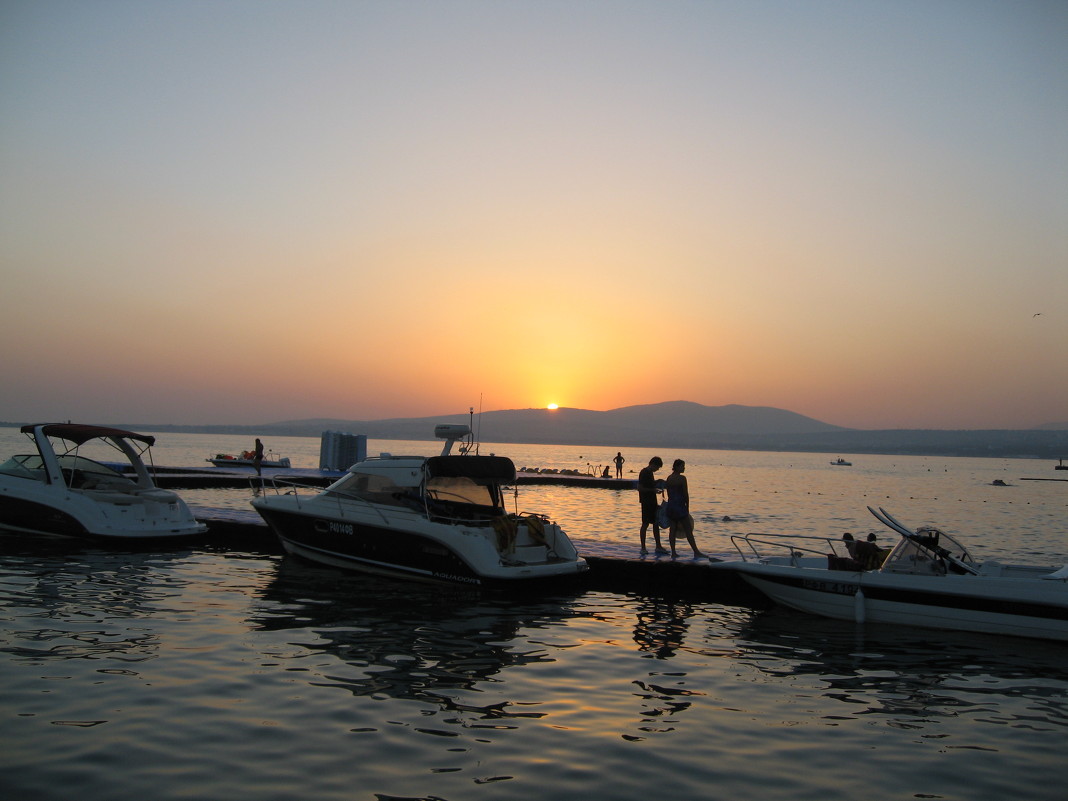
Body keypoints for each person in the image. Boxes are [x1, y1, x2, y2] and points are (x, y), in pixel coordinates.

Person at [664, 459, 705, 560]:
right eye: (682, 466)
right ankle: (696, 551)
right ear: (677, 467)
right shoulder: (682, 478)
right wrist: (687, 506)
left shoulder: (669, 478)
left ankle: (673, 552)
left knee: (672, 530)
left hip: (671, 505)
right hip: (679, 506)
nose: (684, 468)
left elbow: (669, 493)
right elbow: (685, 494)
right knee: (688, 529)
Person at [637, 456, 667, 556]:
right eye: (657, 467)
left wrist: (657, 482)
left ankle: (658, 546)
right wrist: (653, 491)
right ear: (653, 464)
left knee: (655, 523)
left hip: (652, 501)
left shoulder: (649, 473)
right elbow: (640, 488)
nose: (657, 469)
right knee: (645, 524)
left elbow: (649, 484)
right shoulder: (644, 472)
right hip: (646, 502)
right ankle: (643, 547)